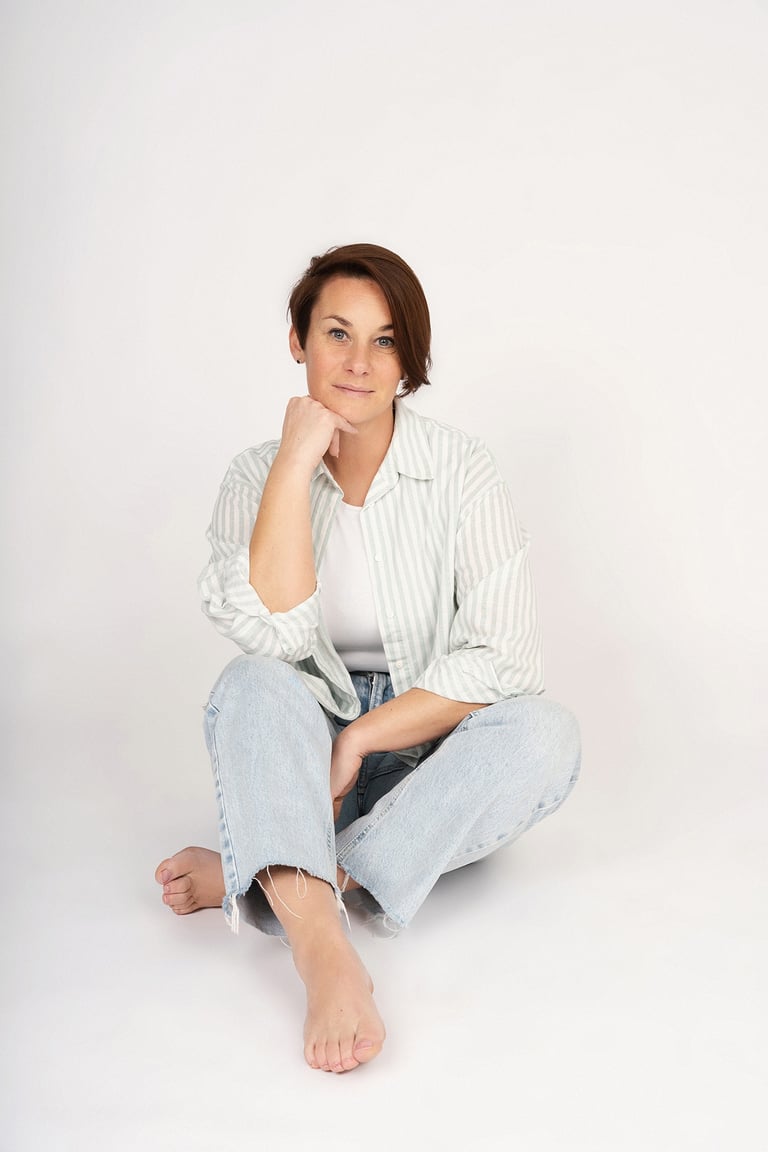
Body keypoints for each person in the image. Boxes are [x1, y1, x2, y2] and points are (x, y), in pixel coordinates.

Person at [155, 243, 580, 1074]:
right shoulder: (254, 475)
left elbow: (508, 658)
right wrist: (293, 462)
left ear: (408, 359)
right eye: (337, 334)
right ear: (298, 341)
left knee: (548, 735)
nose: (359, 362)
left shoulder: (460, 469)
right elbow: (272, 634)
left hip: (428, 752)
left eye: (385, 340)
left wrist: (365, 735)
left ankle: (272, 870)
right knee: (250, 682)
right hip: (304, 755)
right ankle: (324, 951)